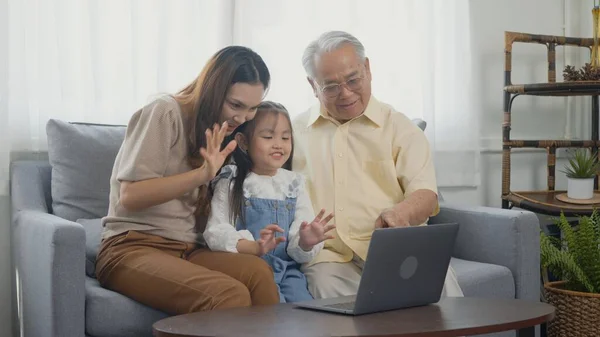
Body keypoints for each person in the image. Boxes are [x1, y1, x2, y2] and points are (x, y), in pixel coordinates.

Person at [95, 46, 282, 315]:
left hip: (190, 249)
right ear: (213, 89)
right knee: (229, 294)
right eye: (235, 105)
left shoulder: (222, 129)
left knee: (259, 274)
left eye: (252, 109)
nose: (242, 118)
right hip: (131, 246)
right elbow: (130, 197)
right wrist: (201, 175)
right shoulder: (164, 112)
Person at [292, 31, 464, 299]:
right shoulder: (291, 133)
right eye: (331, 86)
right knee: (324, 291)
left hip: (397, 252)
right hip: (330, 259)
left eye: (352, 79)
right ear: (313, 86)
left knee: (442, 299)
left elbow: (426, 196)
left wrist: (402, 213)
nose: (346, 93)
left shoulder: (401, 128)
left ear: (368, 69)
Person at [204, 101, 335, 303]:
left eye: (285, 137)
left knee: (305, 310)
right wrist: (252, 246)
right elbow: (216, 231)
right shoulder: (232, 180)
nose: (278, 144)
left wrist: (305, 241)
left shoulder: (294, 183)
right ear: (243, 141)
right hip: (250, 270)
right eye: (268, 136)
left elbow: (298, 245)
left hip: (288, 270)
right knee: (274, 314)